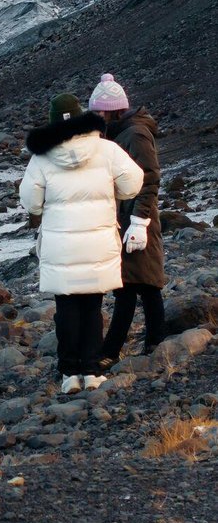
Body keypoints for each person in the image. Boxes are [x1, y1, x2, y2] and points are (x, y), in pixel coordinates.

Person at [20, 93, 143, 394]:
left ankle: (69, 374)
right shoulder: (107, 149)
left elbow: (30, 202)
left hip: (61, 244)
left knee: (66, 307)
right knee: (93, 304)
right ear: (80, 116)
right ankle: (91, 370)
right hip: (98, 239)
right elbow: (133, 182)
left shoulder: (42, 157)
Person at [89, 74, 167, 363]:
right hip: (126, 217)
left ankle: (113, 352)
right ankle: (154, 344)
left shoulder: (134, 134)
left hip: (137, 219)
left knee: (134, 286)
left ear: (113, 110)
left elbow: (150, 178)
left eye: (99, 111)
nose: (96, 116)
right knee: (143, 284)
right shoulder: (119, 132)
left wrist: (139, 222)